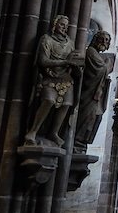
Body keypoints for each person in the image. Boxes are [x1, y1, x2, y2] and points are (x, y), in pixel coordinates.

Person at [24, 14, 83, 146]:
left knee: (67, 104)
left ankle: (54, 132)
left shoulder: (69, 42)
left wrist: (76, 65)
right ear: (55, 24)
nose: (64, 28)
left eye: (66, 26)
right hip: (50, 77)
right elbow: (43, 61)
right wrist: (65, 62)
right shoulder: (47, 39)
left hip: (66, 78)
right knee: (49, 100)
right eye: (62, 24)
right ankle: (33, 131)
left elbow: (72, 59)